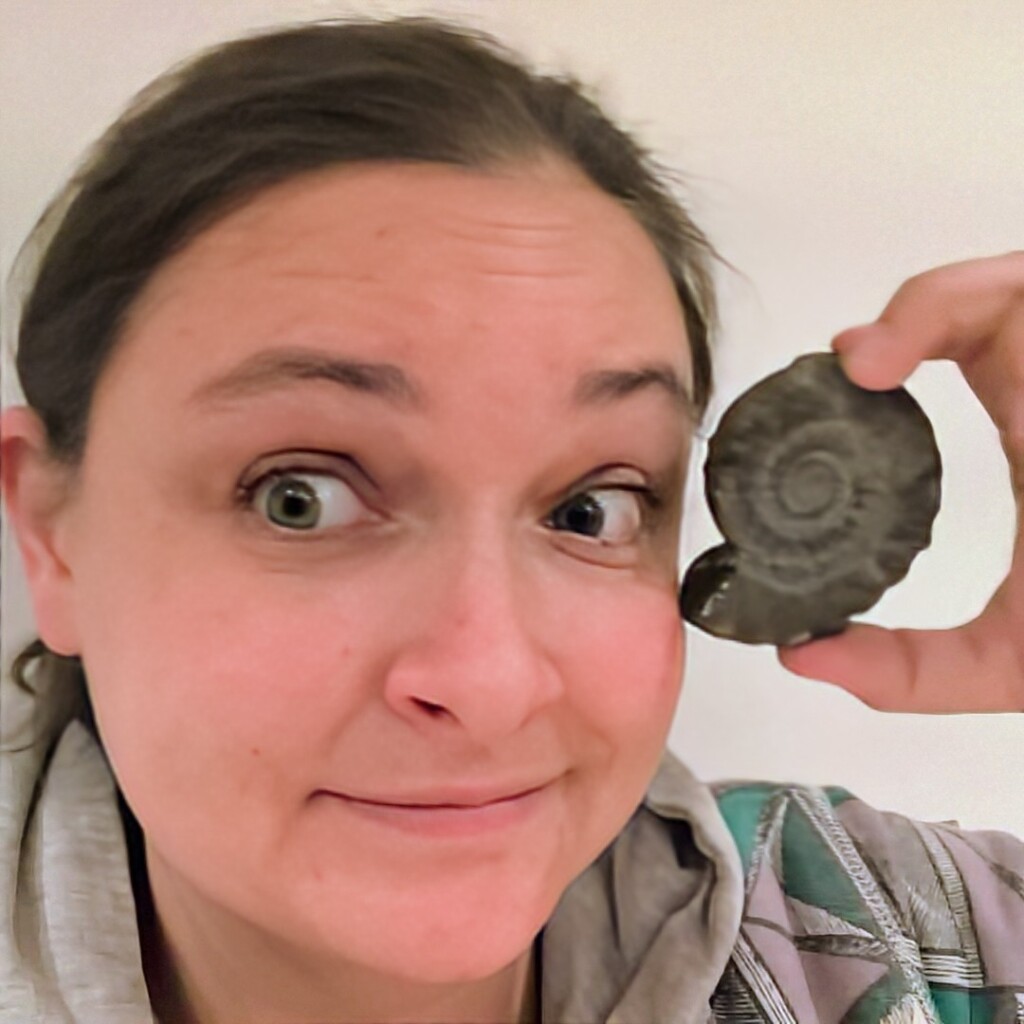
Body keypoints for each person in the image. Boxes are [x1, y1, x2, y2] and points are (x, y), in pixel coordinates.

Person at [0, 17, 1022, 1024]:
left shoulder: (914, 935)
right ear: (51, 536)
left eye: (591, 508)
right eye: (298, 498)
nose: (489, 683)